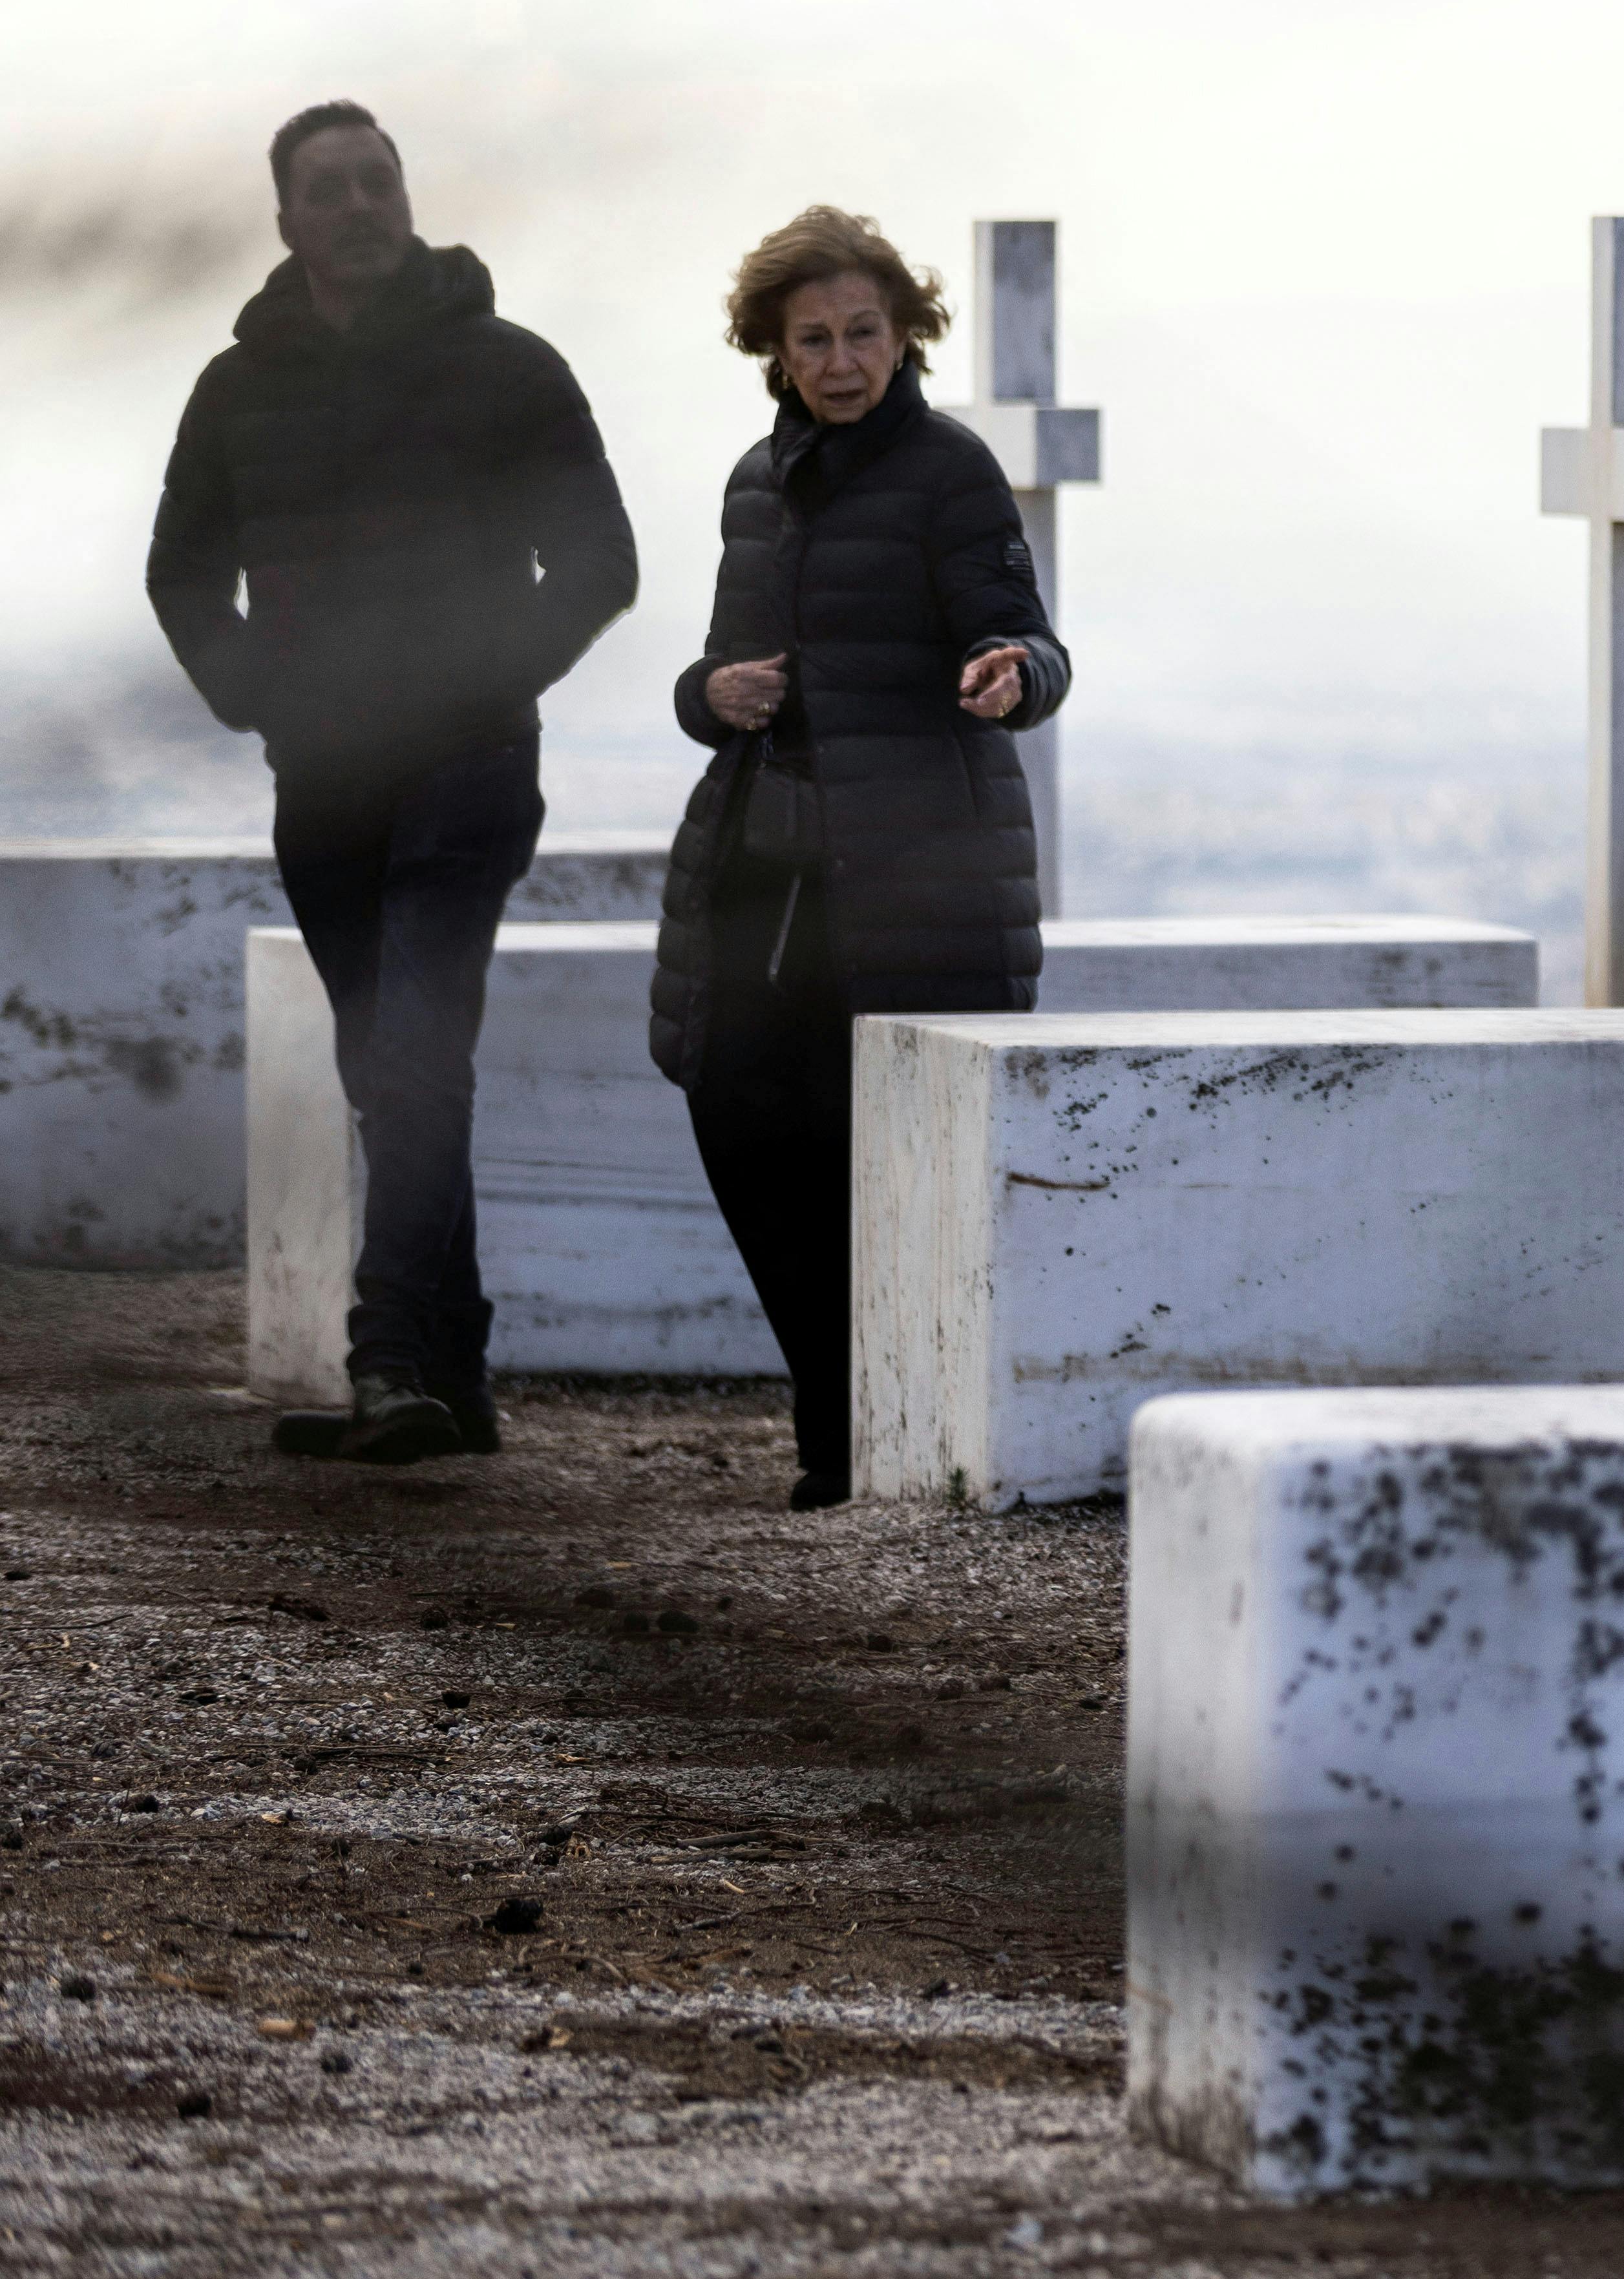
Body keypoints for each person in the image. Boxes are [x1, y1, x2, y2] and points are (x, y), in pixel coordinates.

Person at [145, 102, 638, 1465]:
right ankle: (455, 1369)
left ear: (406, 198)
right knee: (395, 1071)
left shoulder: (510, 367)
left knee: (416, 1056)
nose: (360, 204)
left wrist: (486, 681)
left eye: (379, 181)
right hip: (323, 781)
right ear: (289, 219)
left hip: (471, 766)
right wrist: (260, 694)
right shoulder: (237, 390)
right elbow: (181, 570)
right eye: (330, 189)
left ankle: (387, 1362)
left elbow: (601, 560)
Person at [648, 209, 1070, 1511]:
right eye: (813, 339)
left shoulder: (950, 471)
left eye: (862, 334)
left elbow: (1028, 640)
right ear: (774, 351)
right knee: (731, 1114)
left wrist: (1013, 676)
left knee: (869, 1152)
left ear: (904, 334)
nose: (840, 361)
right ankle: (834, 1412)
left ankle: (856, 1444)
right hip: (763, 866)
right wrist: (709, 693)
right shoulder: (754, 483)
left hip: (915, 873)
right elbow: (719, 676)